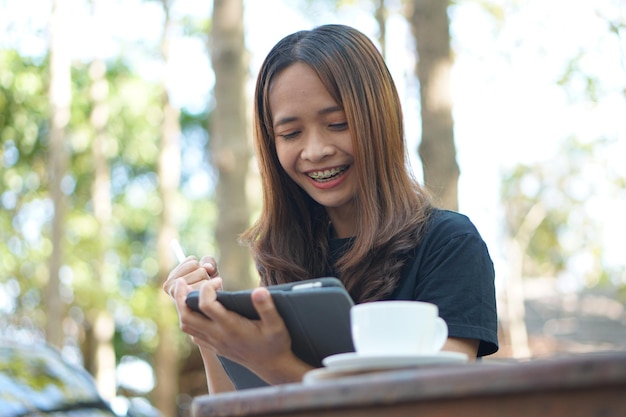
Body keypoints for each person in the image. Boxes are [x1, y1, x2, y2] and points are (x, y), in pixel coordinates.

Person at [164, 24, 498, 393]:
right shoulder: (286, 257)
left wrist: (274, 364)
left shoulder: (449, 245)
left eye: (337, 124)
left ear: (379, 120)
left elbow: (432, 405)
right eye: (291, 134)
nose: (316, 150)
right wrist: (211, 337)